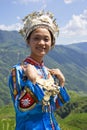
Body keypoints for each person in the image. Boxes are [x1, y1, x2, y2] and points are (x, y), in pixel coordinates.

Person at [9, 10, 70, 130]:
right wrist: (32, 81)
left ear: (52, 43)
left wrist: (61, 83)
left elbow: (52, 107)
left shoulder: (48, 72)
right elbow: (21, 108)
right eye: (36, 38)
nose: (42, 43)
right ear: (28, 41)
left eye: (46, 39)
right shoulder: (19, 71)